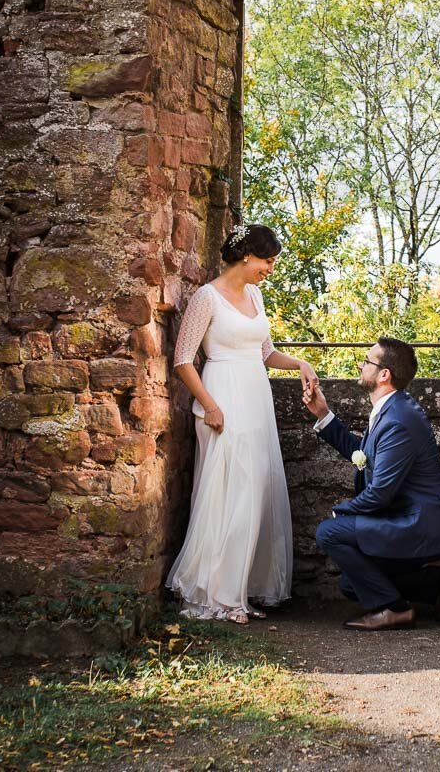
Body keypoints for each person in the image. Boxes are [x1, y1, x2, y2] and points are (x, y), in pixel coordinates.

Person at [167, 223, 318, 624]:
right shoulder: (206, 298)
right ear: (247, 255)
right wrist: (210, 406)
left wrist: (300, 363)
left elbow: (265, 352)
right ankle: (218, 594)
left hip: (255, 397)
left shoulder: (255, 294)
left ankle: (243, 588)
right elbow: (183, 359)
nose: (269, 268)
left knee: (255, 491)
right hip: (222, 396)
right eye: (267, 261)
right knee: (228, 492)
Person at [302, 338, 440, 631]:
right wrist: (324, 415)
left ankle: (395, 609)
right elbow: (362, 456)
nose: (360, 365)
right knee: (352, 584)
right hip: (408, 517)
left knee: (329, 533)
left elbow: (380, 493)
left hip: (421, 524)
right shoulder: (391, 410)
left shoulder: (399, 420)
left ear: (384, 374)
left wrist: (340, 513)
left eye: (367, 361)